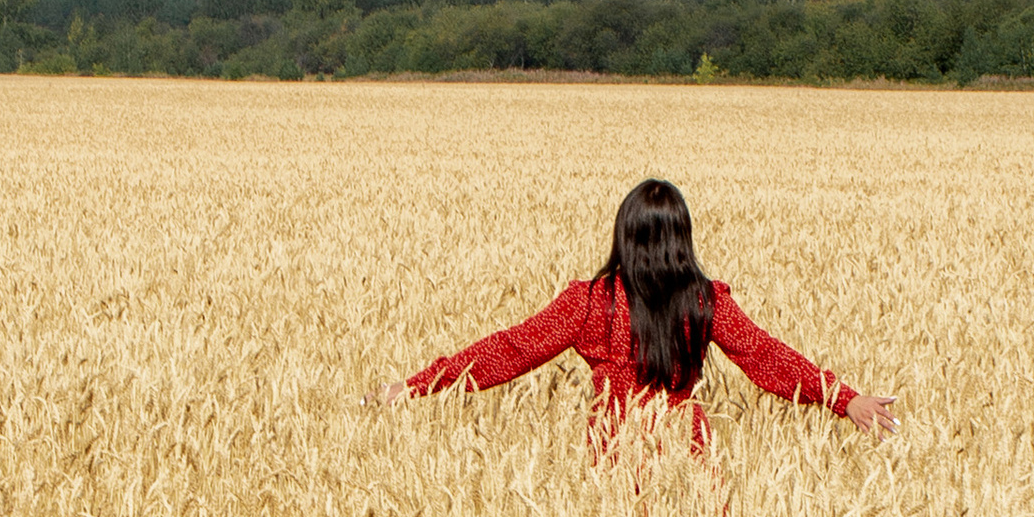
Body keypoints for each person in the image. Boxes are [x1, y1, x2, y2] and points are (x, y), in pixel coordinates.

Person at [368, 177, 896, 446]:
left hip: (616, 453)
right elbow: (765, 357)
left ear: (624, 233)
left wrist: (413, 386)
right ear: (682, 237)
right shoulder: (704, 300)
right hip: (688, 455)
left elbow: (509, 351)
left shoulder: (590, 302)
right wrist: (844, 400)